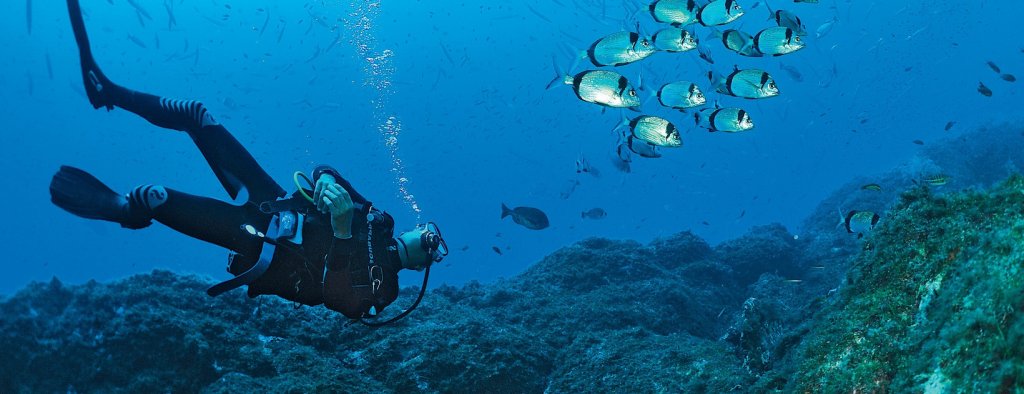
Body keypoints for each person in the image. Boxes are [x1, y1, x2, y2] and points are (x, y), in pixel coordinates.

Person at [49, 0, 447, 325]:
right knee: (197, 114)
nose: (426, 241)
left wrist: (342, 232)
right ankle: (109, 90)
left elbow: (339, 301)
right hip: (272, 199)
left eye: (432, 249)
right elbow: (327, 170)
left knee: (152, 195)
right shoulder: (381, 220)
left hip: (261, 246)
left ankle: (123, 209)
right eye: (429, 233)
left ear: (421, 267)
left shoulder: (387, 291)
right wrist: (327, 181)